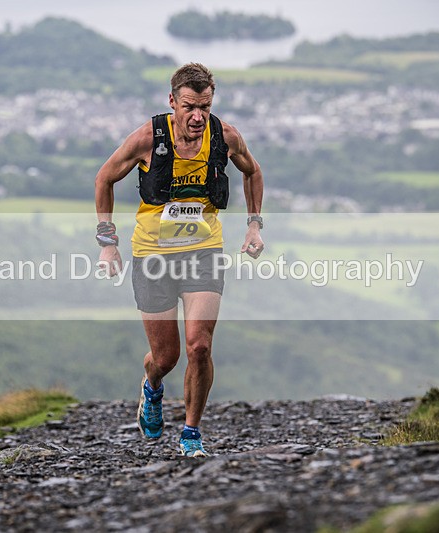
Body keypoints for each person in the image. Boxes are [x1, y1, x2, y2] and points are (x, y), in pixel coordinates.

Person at [94, 63, 265, 456]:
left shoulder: (225, 136)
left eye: (205, 106)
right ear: (172, 101)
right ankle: (152, 386)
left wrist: (254, 226)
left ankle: (191, 433)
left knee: (200, 346)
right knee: (166, 357)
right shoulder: (147, 138)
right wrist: (107, 241)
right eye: (189, 106)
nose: (197, 116)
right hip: (152, 256)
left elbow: (253, 172)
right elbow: (104, 178)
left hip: (203, 252)